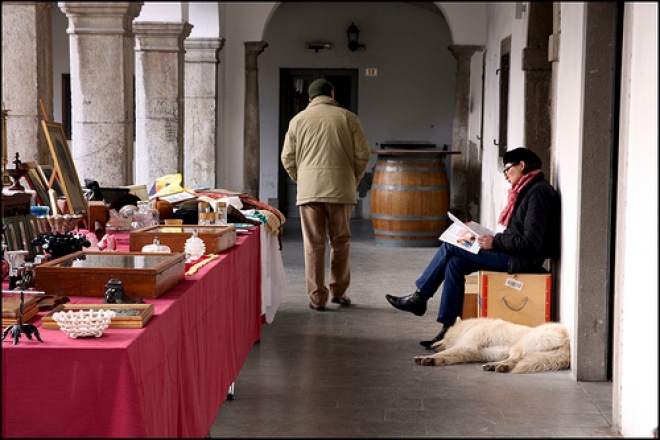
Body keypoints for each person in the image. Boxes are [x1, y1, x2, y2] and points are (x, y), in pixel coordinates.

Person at [385, 147, 560, 348]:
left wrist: (495, 242)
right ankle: (448, 331)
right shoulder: (530, 190)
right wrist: (487, 235)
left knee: (452, 246)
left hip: (521, 260)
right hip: (513, 253)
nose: (505, 176)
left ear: (522, 165)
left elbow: (531, 242)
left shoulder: (538, 193)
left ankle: (420, 297)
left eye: (507, 170)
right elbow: (520, 235)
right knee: (455, 264)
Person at [281, 78, 371, 311]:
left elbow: (287, 158)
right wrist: (352, 179)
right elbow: (363, 155)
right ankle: (338, 292)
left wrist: (302, 180)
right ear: (332, 94)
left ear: (310, 99)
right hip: (341, 190)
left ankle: (317, 299)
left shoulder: (297, 120)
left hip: (309, 192)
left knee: (313, 244)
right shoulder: (348, 118)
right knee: (341, 241)